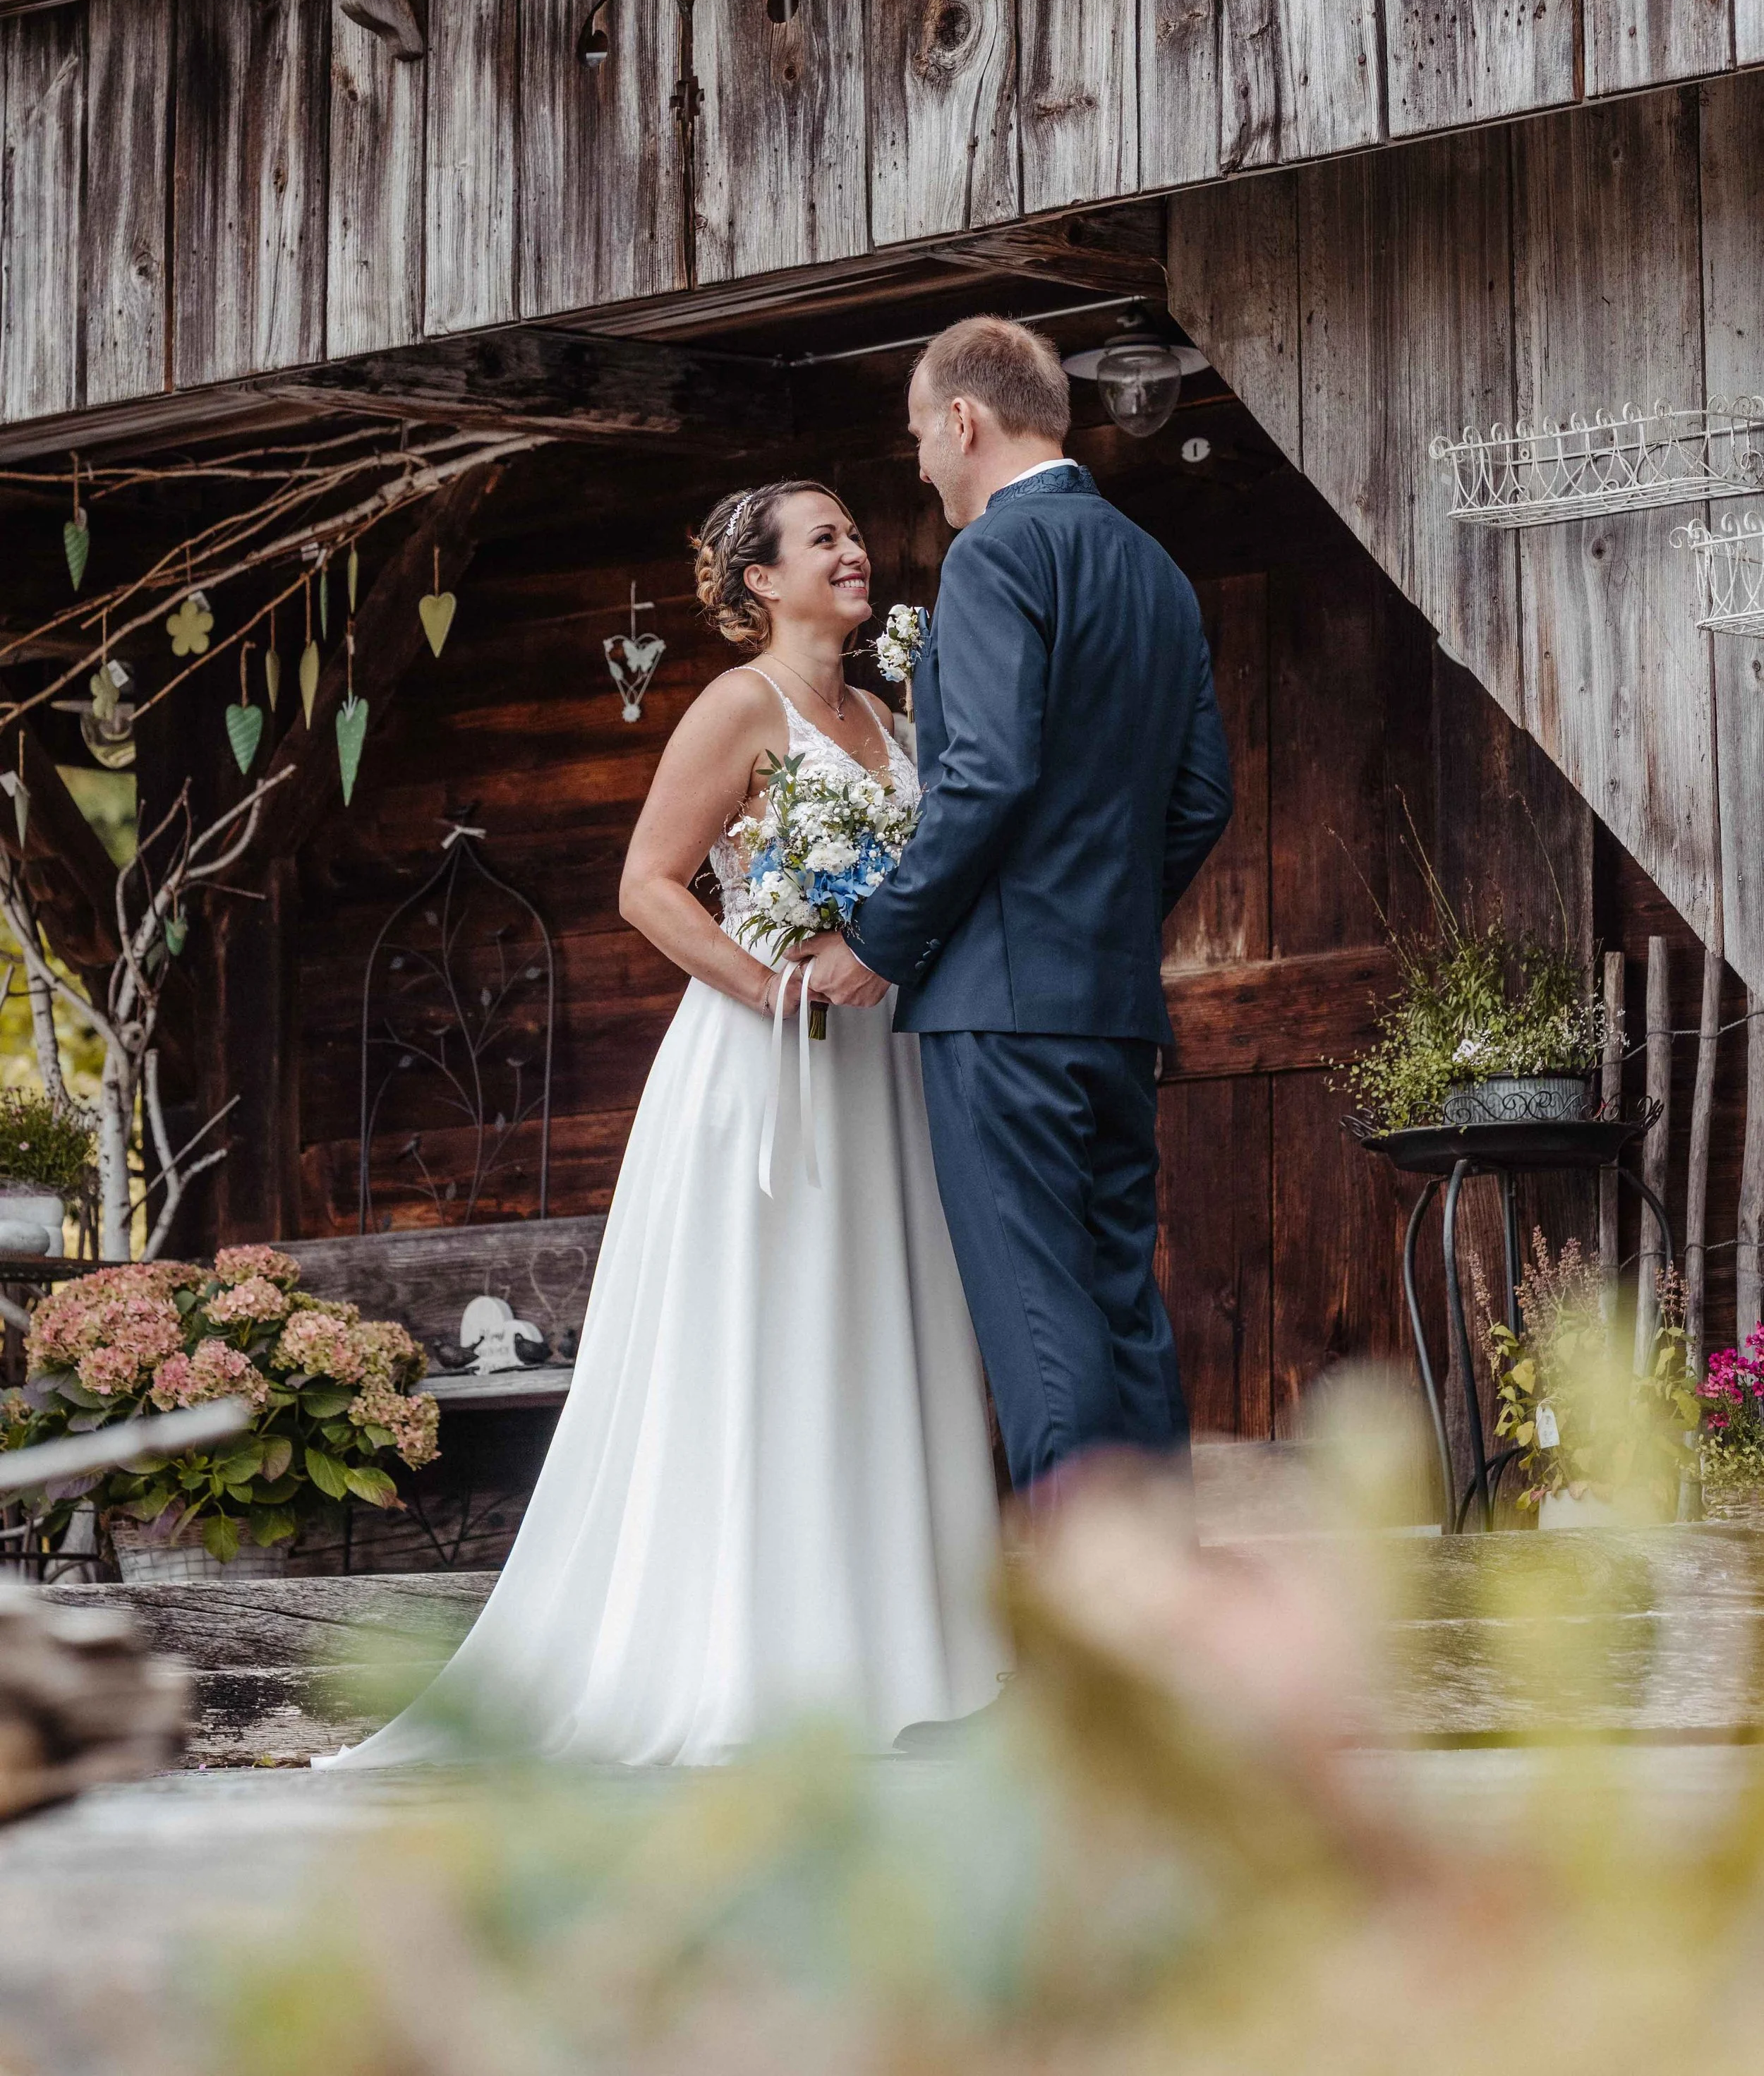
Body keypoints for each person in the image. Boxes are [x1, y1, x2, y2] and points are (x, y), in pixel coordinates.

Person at [320, 480, 1007, 1771]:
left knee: (880, 1329)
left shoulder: (887, 712)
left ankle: (901, 1655)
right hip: (766, 1063)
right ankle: (755, 1658)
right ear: (761, 581)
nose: (857, 553)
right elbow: (647, 884)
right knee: (773, 1338)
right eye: (827, 540)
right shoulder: (738, 707)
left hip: (881, 1067)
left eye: (857, 534)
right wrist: (772, 991)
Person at [799, 318, 1234, 1552]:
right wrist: (1097, 921)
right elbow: (1204, 798)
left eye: (920, 440)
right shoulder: (1156, 569)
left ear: (966, 422)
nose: (923, 469)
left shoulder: (993, 559)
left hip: (996, 1007)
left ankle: (1078, 1672)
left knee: (1040, 1323)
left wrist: (879, 942)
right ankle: (1160, 1640)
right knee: (1120, 1314)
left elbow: (982, 779)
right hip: (1109, 1005)